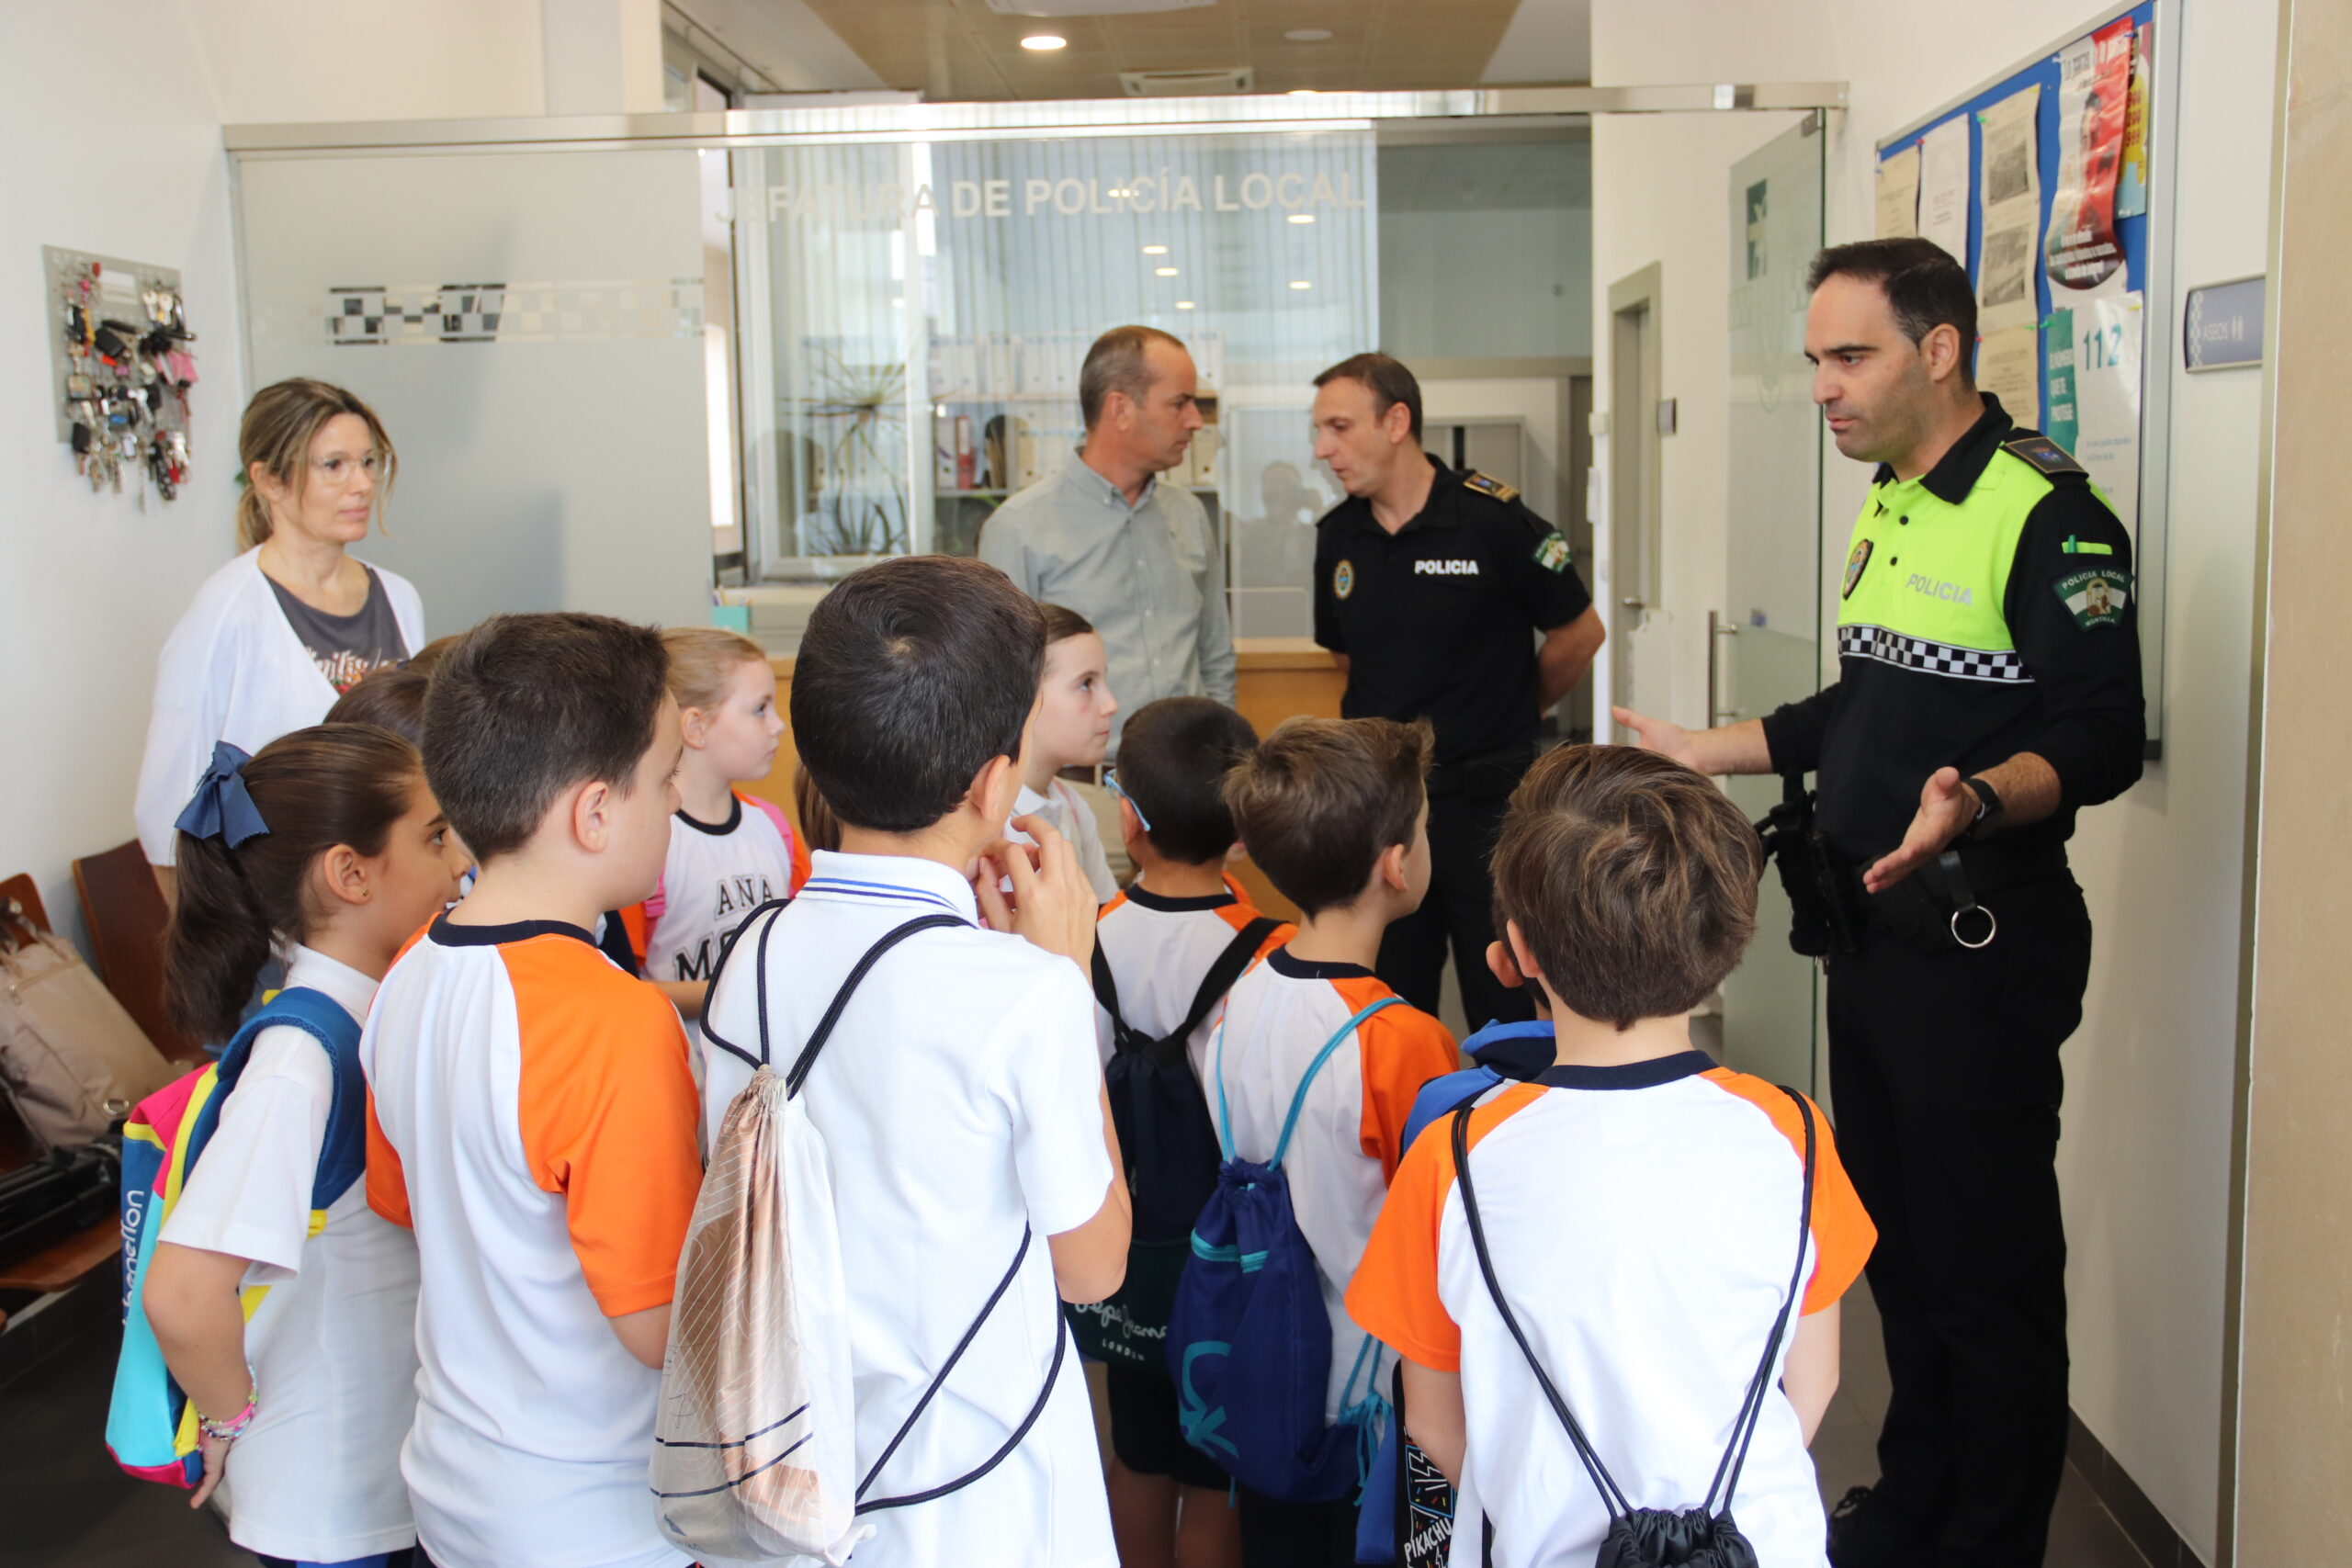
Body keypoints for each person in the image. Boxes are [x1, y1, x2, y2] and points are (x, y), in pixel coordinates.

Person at [1613, 237, 2145, 1568]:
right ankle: (1915, 1506)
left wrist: (1975, 795)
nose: (1823, 388)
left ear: (1942, 349)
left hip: (1982, 937)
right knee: (1902, 1257)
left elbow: (2102, 733)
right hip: (1874, 937)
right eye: (1815, 359)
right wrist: (1707, 749)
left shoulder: (2049, 512)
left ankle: (1988, 1538)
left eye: (1849, 356)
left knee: (1987, 1275)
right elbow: (1867, 703)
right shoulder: (1895, 497)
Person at [697, 555, 1130, 1568]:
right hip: (979, 1483)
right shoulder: (1022, 991)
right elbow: (1093, 1267)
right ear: (994, 781)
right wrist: (1064, 973)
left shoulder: (749, 954)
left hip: (796, 1471)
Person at [1346, 744, 1876, 1568]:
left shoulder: (1455, 1158)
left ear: (1515, 953)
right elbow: (1812, 1385)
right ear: (1726, 940)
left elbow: (1434, 1425)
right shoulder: (1796, 1135)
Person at [361, 614, 706, 1568]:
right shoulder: (615, 1018)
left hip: (454, 1479)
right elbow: (658, 1328)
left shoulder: (405, 973)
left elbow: (401, 1204)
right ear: (595, 813)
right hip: (593, 1511)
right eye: (669, 774)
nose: (678, 801)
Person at [142, 723, 467, 1568]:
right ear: (350, 873)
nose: (459, 857)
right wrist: (226, 1419)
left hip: (384, 1468)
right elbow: (181, 1293)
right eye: (434, 835)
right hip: (328, 1493)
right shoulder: (298, 1059)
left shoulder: (369, 1013)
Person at [1211, 716, 1461, 1563]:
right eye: (1424, 829)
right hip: (1375, 1396)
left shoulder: (1243, 989)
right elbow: (1440, 1231)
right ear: (1397, 865)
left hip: (1265, 1363)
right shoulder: (1402, 1038)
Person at [1307, 353, 1603, 1032]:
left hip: (1488, 810)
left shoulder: (1491, 520)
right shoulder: (1337, 537)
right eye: (1320, 430)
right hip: (1386, 809)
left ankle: (1504, 1128)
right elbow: (1345, 655)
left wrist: (1517, 710)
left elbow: (1579, 633)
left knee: (1504, 994)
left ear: (1397, 421)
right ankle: (1406, 1134)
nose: (1324, 449)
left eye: (1340, 426)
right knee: (1387, 1000)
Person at [1088, 695, 1292, 1568]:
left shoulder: (1087, 937)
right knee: (1216, 1470)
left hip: (1124, 1239)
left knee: (1135, 1451)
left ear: (1127, 820)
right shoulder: (1267, 950)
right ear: (1244, 830)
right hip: (1227, 1256)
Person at [136, 379, 423, 897]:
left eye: (368, 462)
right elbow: (165, 812)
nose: (361, 484)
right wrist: (211, 957)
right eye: (333, 465)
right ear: (270, 480)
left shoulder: (398, 597)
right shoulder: (228, 612)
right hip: (274, 911)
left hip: (387, 898)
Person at [979, 325, 1235, 747]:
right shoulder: (1019, 527)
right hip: (1083, 787)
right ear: (1119, 410)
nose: (1195, 421)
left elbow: (1216, 656)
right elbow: (1000, 685)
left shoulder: (1189, 514)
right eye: (1180, 403)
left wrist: (1224, 752)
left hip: (1193, 775)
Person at [628, 627, 797, 1025]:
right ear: (696, 727)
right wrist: (729, 990)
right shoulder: (645, 842)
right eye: (760, 709)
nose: (778, 726)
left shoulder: (773, 827)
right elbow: (619, 981)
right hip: (682, 1072)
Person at [1008, 604, 1122, 903]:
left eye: (1103, 681)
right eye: (1086, 684)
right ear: (1024, 695)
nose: (1111, 704)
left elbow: (1102, 915)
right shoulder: (986, 820)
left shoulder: (1072, 805)